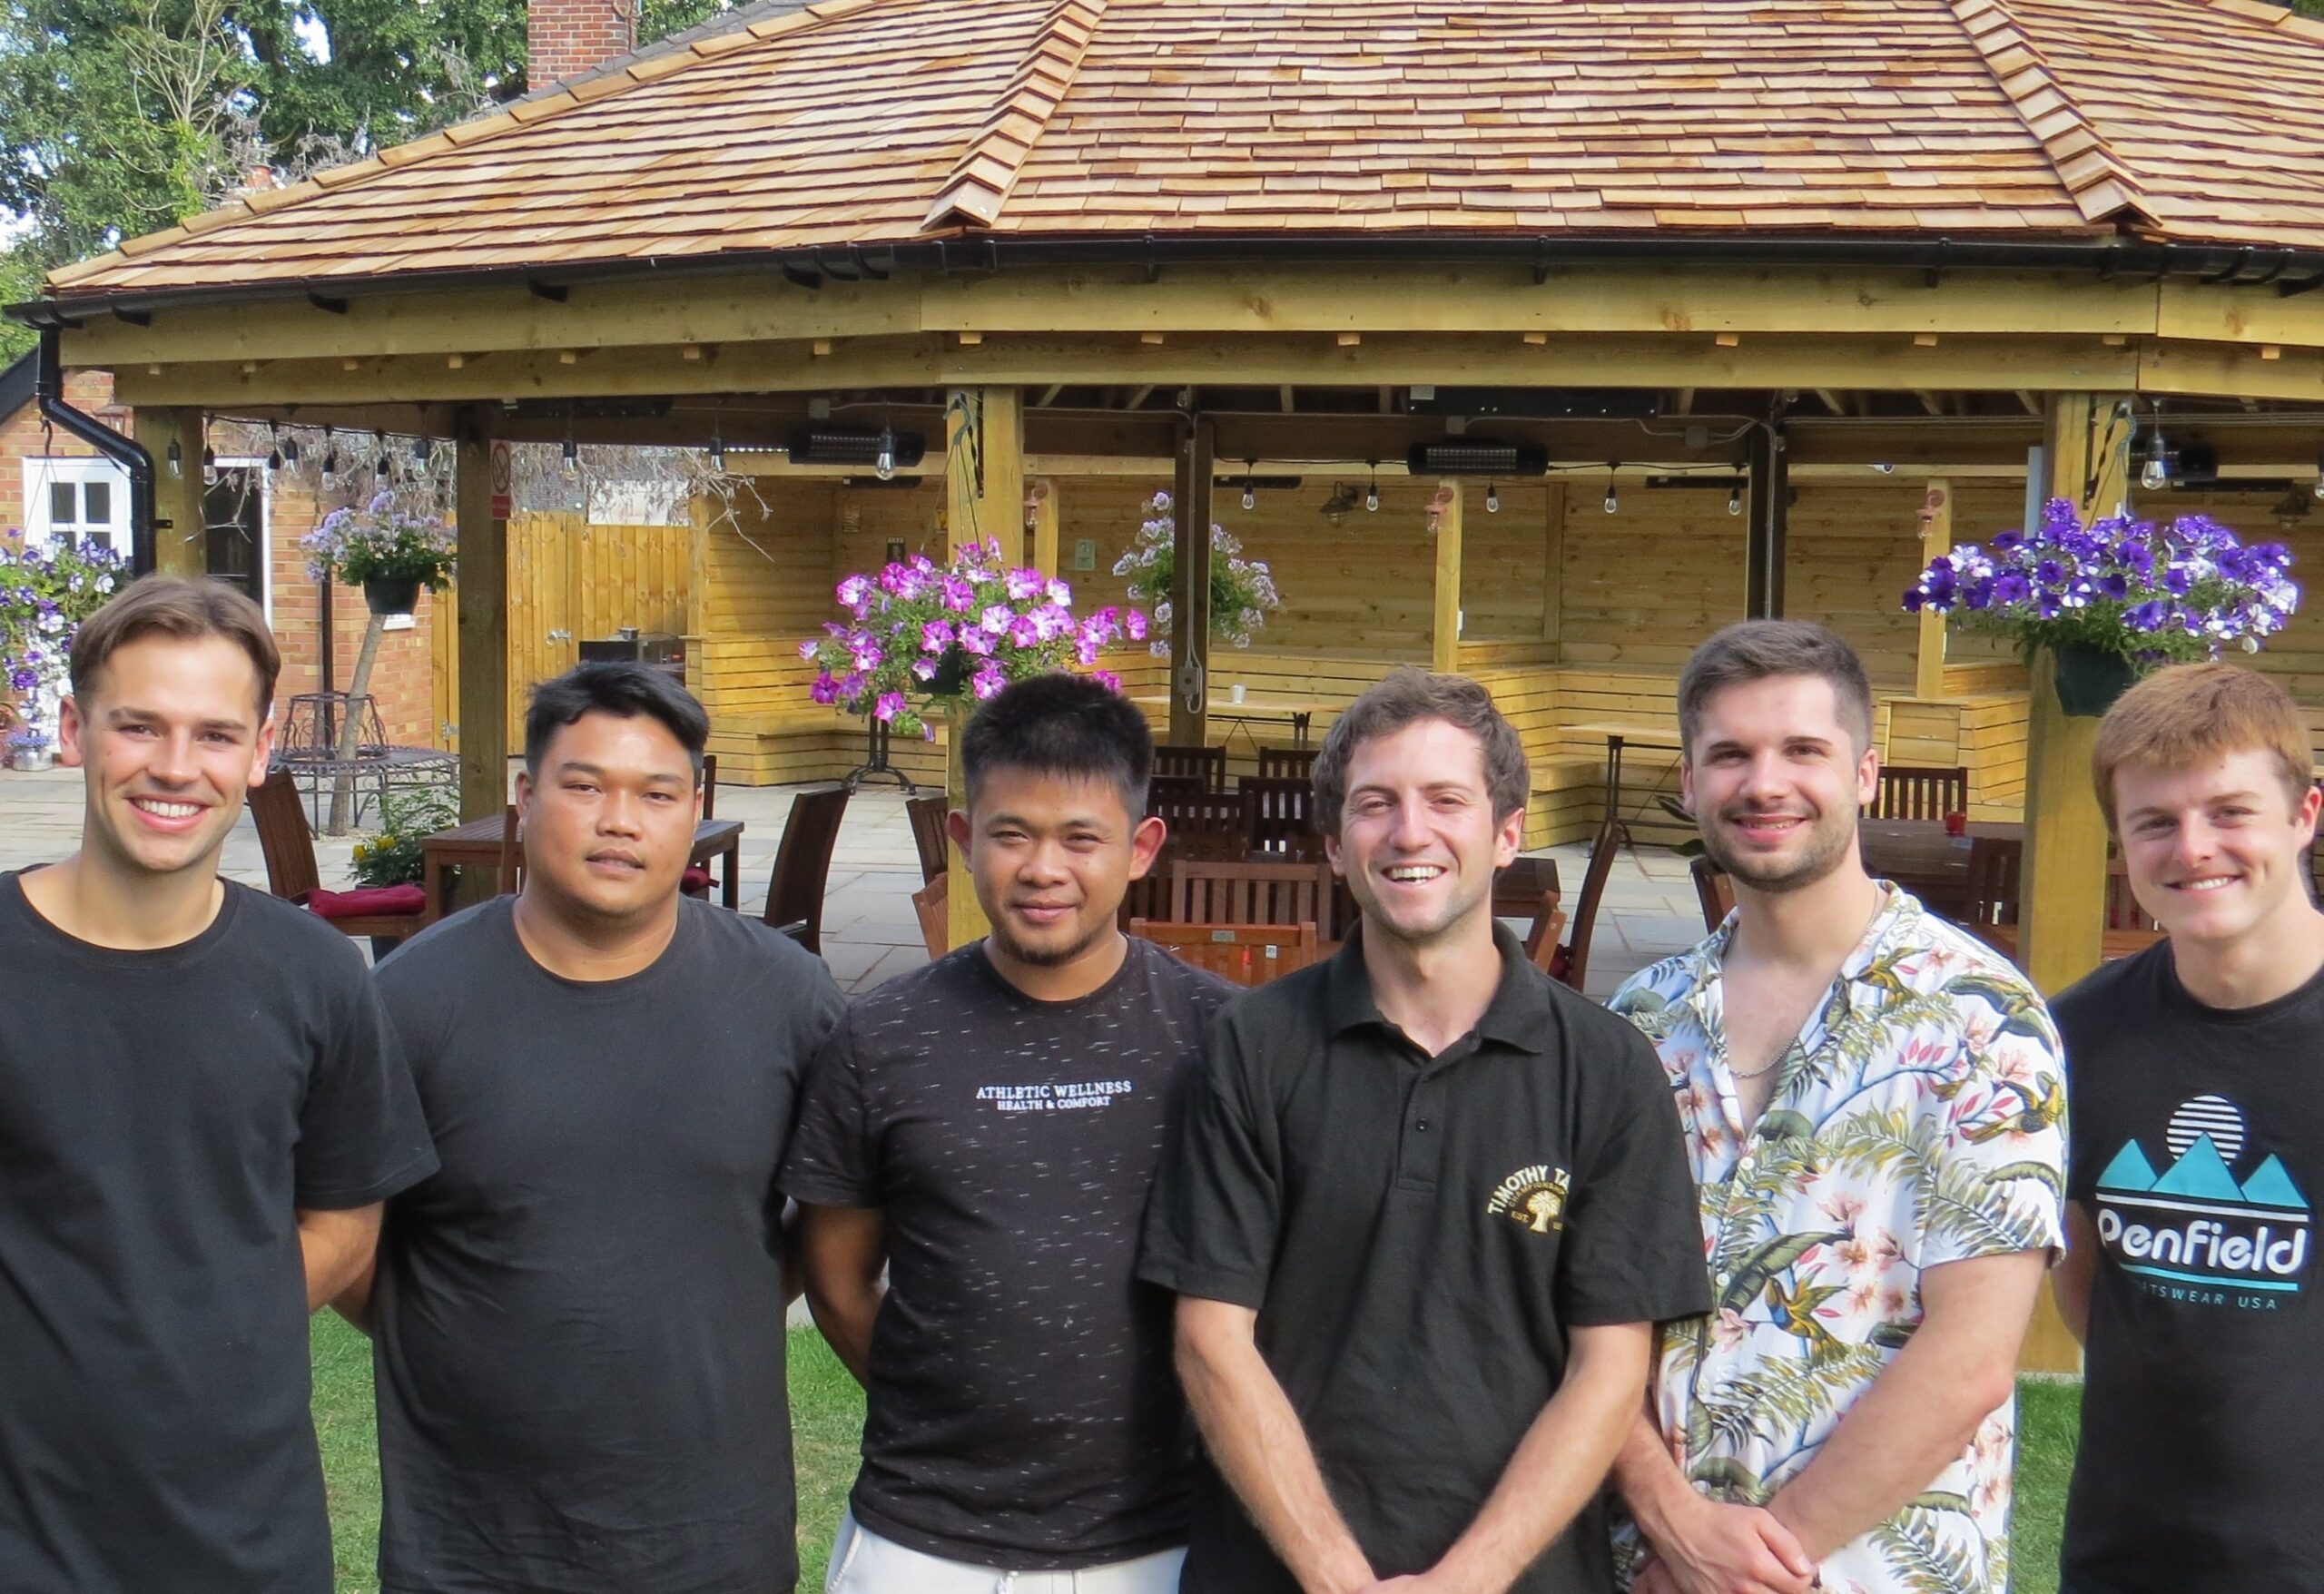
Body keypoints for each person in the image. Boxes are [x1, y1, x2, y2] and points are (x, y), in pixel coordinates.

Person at [1139, 667, 1710, 1594]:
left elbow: (1610, 1367)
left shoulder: (1606, 1069)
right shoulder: (1248, 1048)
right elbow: (1211, 1338)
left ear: (1507, 832)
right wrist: (1337, 1577)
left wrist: (1464, 1581)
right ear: (1332, 843)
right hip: (1276, 1573)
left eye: (1446, 799)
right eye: (1376, 804)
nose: (1410, 832)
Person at [350, 660, 843, 1594]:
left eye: (657, 793)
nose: (620, 821)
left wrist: (699, 1301)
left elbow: (825, 1226)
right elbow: (352, 1245)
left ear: (694, 807)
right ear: (528, 798)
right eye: (585, 786)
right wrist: (473, 1322)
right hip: (472, 1543)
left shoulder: (785, 997)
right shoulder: (414, 999)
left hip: (713, 1535)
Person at [1607, 620, 2065, 1594]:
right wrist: (1671, 1523)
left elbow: (1972, 1357)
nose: (1764, 783)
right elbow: (1588, 1314)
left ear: (1864, 774)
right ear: (1688, 784)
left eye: (1802, 750)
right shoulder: (1635, 1023)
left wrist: (1750, 1562)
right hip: (1646, 1567)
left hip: (1870, 1571)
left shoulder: (1981, 1018)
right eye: (1729, 754)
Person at [0, 576, 436, 1593]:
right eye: (138, 726)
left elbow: (344, 1223)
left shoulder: (318, 976)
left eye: (213, 733)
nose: (175, 767)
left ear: (260, 749)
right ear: (73, 729)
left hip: (243, 1540)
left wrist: (210, 1328)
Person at [783, 673, 1230, 1592]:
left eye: (1081, 838)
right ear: (962, 837)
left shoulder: (1219, 1037)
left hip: (1165, 1540)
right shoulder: (881, 1038)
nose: (1042, 869)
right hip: (921, 1541)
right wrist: (947, 1411)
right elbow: (834, 1278)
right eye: (1011, 834)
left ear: (1141, 846)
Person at [2049, 662, 2324, 1592]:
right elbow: (2082, 1277)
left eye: (2229, 811)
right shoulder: (2075, 1035)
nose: (2192, 847)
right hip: (2122, 1551)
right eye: (2154, 822)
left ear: (2305, 815)